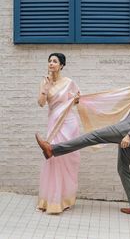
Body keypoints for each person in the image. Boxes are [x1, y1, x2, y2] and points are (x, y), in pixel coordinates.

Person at [36, 65, 130, 216]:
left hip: (128, 130)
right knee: (123, 169)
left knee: (94, 136)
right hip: (129, 131)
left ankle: (53, 149)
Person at [37, 53, 81, 214]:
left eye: (55, 61)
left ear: (61, 65)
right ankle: (50, 200)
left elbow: (77, 100)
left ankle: (64, 199)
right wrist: (46, 88)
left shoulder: (69, 82)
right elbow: (41, 103)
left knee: (67, 159)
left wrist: (74, 100)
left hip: (69, 124)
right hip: (53, 123)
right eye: (49, 61)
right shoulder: (44, 82)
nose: (51, 63)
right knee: (52, 158)